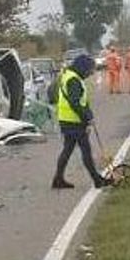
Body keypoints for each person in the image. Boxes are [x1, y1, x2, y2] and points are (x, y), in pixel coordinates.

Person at [53, 54, 109, 189]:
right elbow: (75, 102)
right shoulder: (74, 80)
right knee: (86, 151)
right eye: (89, 70)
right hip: (74, 121)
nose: (90, 73)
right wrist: (87, 117)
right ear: (82, 67)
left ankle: (58, 179)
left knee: (67, 149)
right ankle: (97, 180)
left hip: (65, 119)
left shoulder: (68, 75)